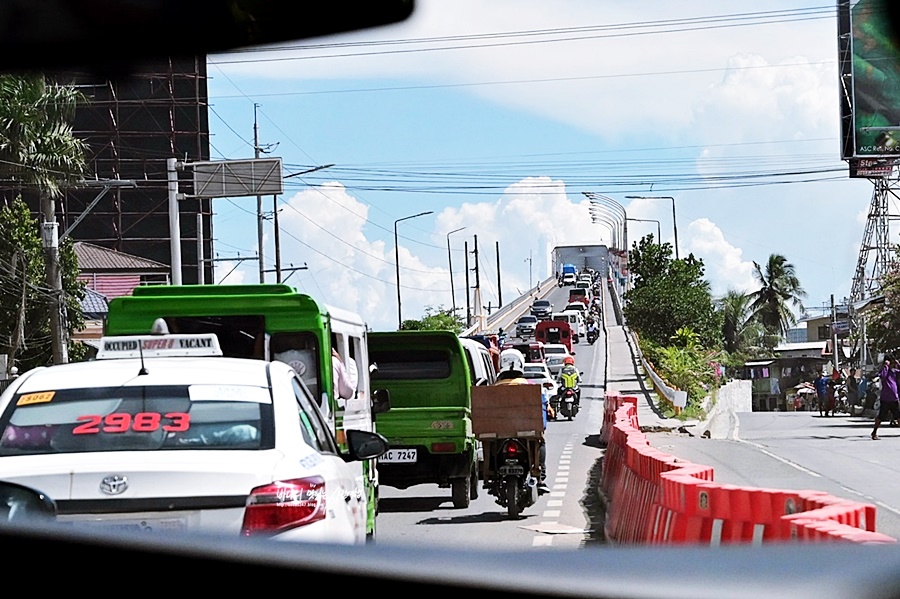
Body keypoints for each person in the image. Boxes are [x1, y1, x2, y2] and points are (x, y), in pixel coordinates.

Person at [494, 351, 550, 494]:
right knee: (540, 442)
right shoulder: (529, 386)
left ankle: (493, 475)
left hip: (498, 432)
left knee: (491, 445)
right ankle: (540, 476)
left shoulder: (494, 388)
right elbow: (543, 404)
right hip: (526, 430)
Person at [872, 355, 900, 440]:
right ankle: (874, 432)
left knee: (898, 416)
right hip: (886, 399)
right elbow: (882, 376)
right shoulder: (885, 370)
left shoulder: (894, 371)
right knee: (881, 417)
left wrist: (898, 364)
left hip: (894, 398)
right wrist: (886, 366)